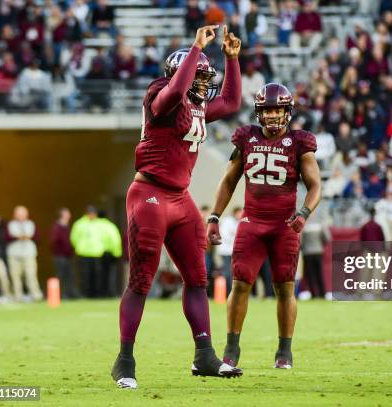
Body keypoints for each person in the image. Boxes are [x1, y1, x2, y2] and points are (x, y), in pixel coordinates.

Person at [111, 25, 243, 389]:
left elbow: (230, 103)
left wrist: (231, 60)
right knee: (141, 280)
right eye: (198, 75)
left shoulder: (197, 105)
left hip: (180, 197)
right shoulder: (160, 94)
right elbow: (173, 94)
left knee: (198, 279)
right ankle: (124, 360)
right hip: (150, 194)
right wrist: (196, 48)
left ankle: (204, 355)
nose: (203, 84)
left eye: (206, 76)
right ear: (179, 74)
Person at [207, 83, 322, 369]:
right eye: (268, 110)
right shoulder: (246, 137)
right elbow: (229, 181)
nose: (272, 116)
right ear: (259, 112)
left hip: (284, 225)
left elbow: (315, 185)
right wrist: (214, 216)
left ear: (287, 112)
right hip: (252, 222)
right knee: (240, 284)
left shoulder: (299, 141)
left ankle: (285, 351)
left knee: (285, 289)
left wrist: (304, 213)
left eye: (277, 110)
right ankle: (231, 347)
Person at [7, 205, 42, 301]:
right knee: (15, 277)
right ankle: (17, 296)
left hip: (28, 253)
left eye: (23, 214)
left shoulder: (31, 224)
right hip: (14, 254)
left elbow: (37, 237)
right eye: (19, 214)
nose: (21, 216)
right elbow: (6, 238)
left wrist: (28, 237)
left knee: (31, 275)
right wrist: (17, 237)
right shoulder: (10, 224)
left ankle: (35, 295)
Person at [70, 206, 104, 298]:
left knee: (96, 275)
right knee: (84, 275)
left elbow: (104, 237)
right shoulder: (79, 224)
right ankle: (85, 294)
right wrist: (79, 247)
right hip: (83, 253)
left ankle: (96, 294)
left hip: (97, 253)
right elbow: (74, 238)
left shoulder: (100, 223)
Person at [50, 208, 79, 299]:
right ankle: (61, 294)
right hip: (60, 255)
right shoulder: (56, 227)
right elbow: (53, 241)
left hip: (68, 255)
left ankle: (70, 293)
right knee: (61, 275)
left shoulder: (68, 226)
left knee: (70, 275)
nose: (69, 215)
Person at [216, 207, 241, 295]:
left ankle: (233, 292)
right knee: (228, 272)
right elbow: (225, 236)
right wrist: (236, 238)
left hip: (233, 251)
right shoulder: (228, 221)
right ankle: (228, 293)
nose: (241, 215)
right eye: (239, 213)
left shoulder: (237, 222)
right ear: (235, 213)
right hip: (226, 251)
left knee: (234, 273)